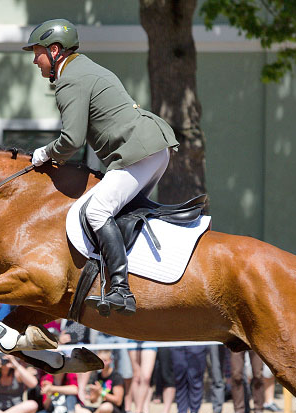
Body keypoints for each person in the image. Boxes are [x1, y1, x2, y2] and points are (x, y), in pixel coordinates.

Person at [25, 18, 177, 316]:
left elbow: (71, 141)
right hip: (150, 148)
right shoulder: (82, 68)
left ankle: (120, 289)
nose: (34, 60)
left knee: (96, 211)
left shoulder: (71, 79)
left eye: (37, 52)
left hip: (138, 152)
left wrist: (45, 152)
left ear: (54, 50)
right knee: (118, 212)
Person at [75, 349, 125, 413]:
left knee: (106, 406)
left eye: (105, 360)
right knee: (77, 407)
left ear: (110, 360)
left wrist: (101, 392)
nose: (102, 363)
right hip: (100, 409)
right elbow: (93, 401)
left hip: (114, 411)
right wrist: (95, 393)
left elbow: (118, 401)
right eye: (100, 361)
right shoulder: (97, 376)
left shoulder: (116, 377)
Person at [170, 344, 208, 413]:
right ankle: (181, 412)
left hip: (197, 343)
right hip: (177, 343)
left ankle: (194, 412)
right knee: (179, 379)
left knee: (195, 379)